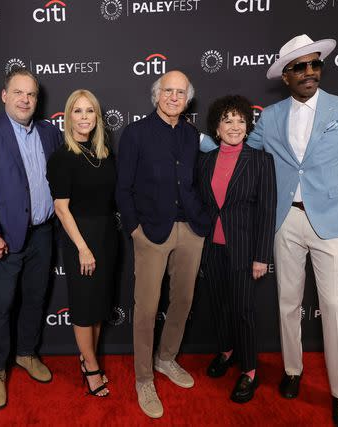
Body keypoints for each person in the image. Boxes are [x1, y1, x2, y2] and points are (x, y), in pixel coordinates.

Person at [201, 34, 338, 426]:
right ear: (285, 76)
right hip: (284, 221)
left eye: (314, 64)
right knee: (287, 302)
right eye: (299, 67)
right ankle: (292, 370)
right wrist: (191, 140)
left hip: (333, 222)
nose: (309, 72)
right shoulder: (269, 116)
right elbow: (235, 147)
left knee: (335, 308)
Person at [115, 70, 210, 418]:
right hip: (151, 232)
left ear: (188, 99)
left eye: (180, 92)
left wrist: (200, 222)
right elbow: (122, 188)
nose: (173, 97)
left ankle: (166, 358)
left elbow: (197, 181)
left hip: (191, 230)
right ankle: (143, 378)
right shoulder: (136, 133)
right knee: (146, 308)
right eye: (168, 90)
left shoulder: (191, 135)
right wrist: (135, 229)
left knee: (183, 299)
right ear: (156, 95)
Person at [0, 68, 63, 409]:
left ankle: (26, 353)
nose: (25, 99)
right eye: (18, 93)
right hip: (4, 238)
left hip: (42, 233)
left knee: (35, 299)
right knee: (1, 305)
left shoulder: (49, 132)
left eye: (31, 95)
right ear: (4, 95)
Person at [198, 95, 276, 403]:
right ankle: (227, 350)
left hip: (244, 249)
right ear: (216, 128)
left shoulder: (260, 160)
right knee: (219, 305)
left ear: (248, 125)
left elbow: (267, 210)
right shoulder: (204, 161)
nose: (234, 126)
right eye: (227, 120)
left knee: (243, 310)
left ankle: (250, 370)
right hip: (211, 247)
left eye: (240, 120)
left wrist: (261, 256)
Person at [46, 89, 117, 397]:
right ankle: (90, 366)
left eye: (90, 111)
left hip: (107, 236)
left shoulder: (104, 152)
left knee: (99, 305)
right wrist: (83, 248)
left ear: (97, 117)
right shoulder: (62, 157)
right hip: (81, 238)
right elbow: (61, 208)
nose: (84, 117)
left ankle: (89, 357)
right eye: (78, 111)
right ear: (68, 116)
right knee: (84, 308)